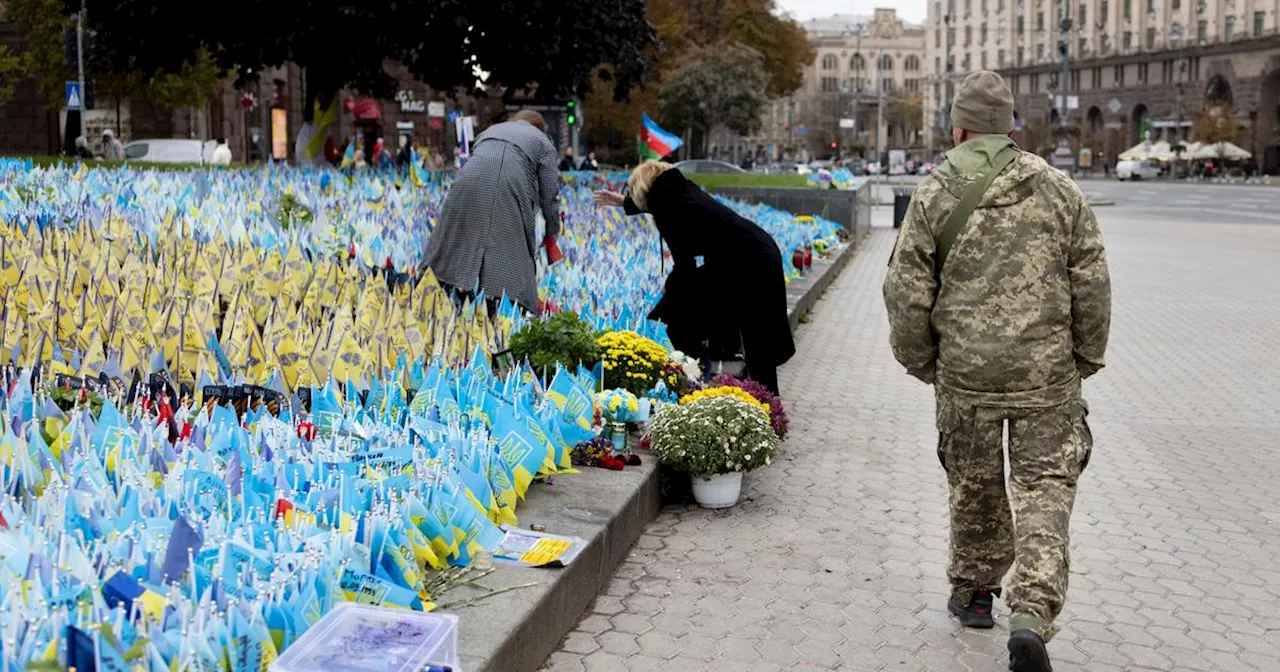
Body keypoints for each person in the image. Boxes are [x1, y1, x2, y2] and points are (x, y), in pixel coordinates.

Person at [883, 71, 1111, 672]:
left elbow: (905, 291)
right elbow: (1092, 282)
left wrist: (922, 361)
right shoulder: (1060, 189)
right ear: (1010, 124)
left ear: (957, 126)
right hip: (1047, 379)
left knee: (975, 487)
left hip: (965, 378)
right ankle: (1033, 614)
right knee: (1045, 493)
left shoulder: (933, 192)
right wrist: (1084, 357)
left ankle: (977, 595)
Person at [592, 161, 795, 395]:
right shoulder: (678, 190)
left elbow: (684, 265)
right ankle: (763, 401)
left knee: (743, 333)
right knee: (755, 336)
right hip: (755, 253)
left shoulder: (668, 207)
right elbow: (661, 203)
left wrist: (666, 301)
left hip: (747, 263)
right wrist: (625, 202)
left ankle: (701, 385)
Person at [421, 109, 560, 316]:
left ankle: (432, 292)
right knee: (510, 252)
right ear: (539, 128)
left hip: (462, 186)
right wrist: (552, 231)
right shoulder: (542, 141)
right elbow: (549, 193)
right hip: (507, 189)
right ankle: (503, 307)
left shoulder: (490, 131)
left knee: (451, 242)